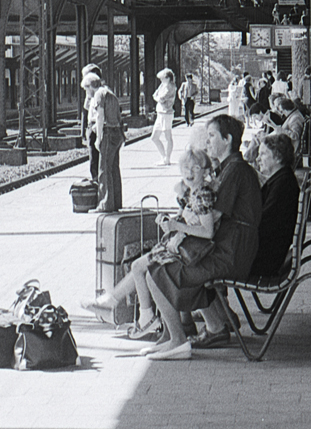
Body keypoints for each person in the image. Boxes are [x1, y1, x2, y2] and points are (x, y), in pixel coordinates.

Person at [142, 114, 261, 361]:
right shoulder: (231, 168)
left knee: (157, 270)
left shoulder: (234, 171)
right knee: (164, 264)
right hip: (233, 247)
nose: (207, 142)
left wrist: (177, 224)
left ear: (227, 140)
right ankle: (173, 337)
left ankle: (177, 340)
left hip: (231, 253)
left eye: (212, 136)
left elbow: (209, 219)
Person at [84, 147, 221, 339]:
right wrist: (171, 221)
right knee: (138, 266)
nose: (189, 173)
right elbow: (191, 220)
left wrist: (176, 225)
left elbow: (207, 232)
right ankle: (128, 308)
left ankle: (139, 313)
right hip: (183, 247)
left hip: (190, 252)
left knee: (140, 266)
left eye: (195, 168)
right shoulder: (194, 193)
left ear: (205, 171)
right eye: (185, 168)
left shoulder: (202, 195)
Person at [190, 132, 302, 349]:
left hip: (263, 260)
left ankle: (216, 325)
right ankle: (222, 316)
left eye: (263, 155)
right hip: (270, 254)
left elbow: (259, 222)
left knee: (201, 259)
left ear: (277, 157)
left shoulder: (282, 185)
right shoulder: (283, 180)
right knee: (212, 249)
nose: (258, 159)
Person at [83, 73, 124, 212]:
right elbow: (119, 115)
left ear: (90, 86)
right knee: (114, 169)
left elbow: (100, 116)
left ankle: (105, 204)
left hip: (107, 132)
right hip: (117, 133)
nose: (86, 92)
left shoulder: (99, 95)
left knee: (103, 170)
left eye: (86, 88)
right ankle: (116, 202)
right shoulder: (110, 92)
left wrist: (99, 138)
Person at [151, 68, 177, 165]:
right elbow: (155, 95)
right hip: (160, 113)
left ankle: (167, 159)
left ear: (168, 78)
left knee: (167, 137)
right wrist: (157, 97)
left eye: (162, 78)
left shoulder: (170, 87)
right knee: (154, 137)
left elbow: (161, 98)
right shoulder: (163, 85)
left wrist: (157, 98)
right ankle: (164, 157)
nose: (161, 80)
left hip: (167, 113)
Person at [80, 64, 102, 178]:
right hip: (93, 127)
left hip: (96, 128)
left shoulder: (98, 93)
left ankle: (96, 181)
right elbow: (85, 111)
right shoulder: (92, 92)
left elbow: (86, 111)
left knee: (95, 158)